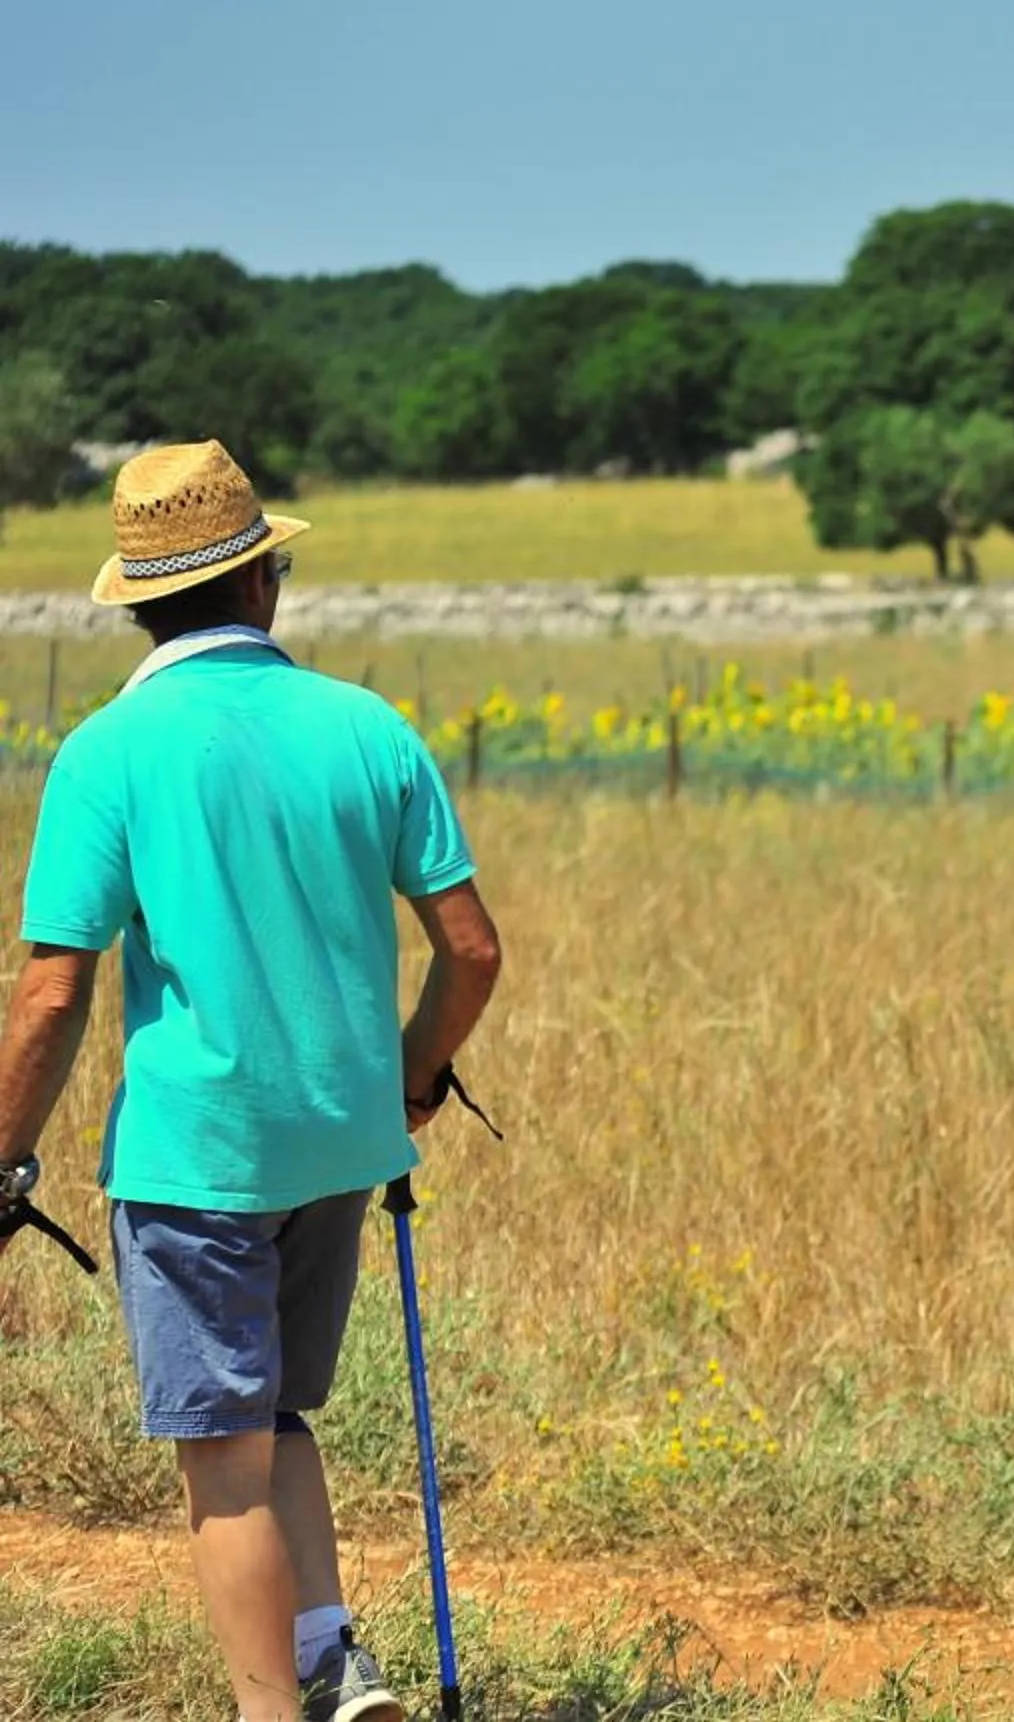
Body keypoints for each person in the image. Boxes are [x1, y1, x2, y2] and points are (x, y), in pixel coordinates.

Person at [0, 442, 505, 1722]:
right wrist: (414, 1077)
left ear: (136, 599)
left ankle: (266, 1709)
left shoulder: (106, 751)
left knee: (221, 1454)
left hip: (199, 1157)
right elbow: (472, 950)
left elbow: (54, 991)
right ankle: (335, 1655)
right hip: (342, 1147)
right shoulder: (366, 725)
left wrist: (4, 1153)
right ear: (264, 582)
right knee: (272, 1409)